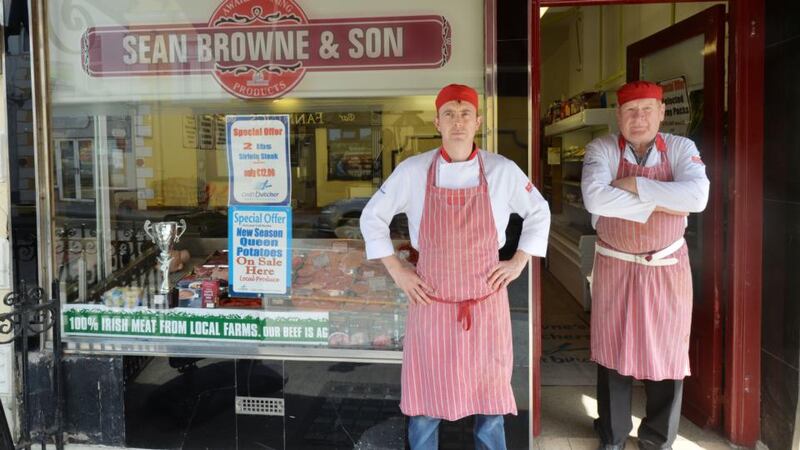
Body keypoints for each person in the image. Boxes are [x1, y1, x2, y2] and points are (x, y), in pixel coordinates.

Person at [360, 84, 550, 449]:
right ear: (437, 121)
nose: (457, 121)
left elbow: (539, 212)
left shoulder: (502, 170)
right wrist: (399, 271)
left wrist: (518, 261)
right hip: (431, 303)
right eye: (449, 113)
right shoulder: (413, 170)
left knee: (490, 396)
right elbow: (372, 218)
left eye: (465, 114)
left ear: (478, 121)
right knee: (426, 401)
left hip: (485, 303)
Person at [581, 81, 710, 450]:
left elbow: (698, 197)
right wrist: (667, 201)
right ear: (618, 116)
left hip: (667, 266)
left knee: (667, 349)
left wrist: (633, 185)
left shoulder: (683, 149)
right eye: (630, 111)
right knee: (612, 347)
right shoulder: (601, 148)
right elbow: (595, 197)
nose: (638, 118)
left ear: (661, 113)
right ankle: (613, 433)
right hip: (614, 264)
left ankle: (657, 437)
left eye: (646, 110)